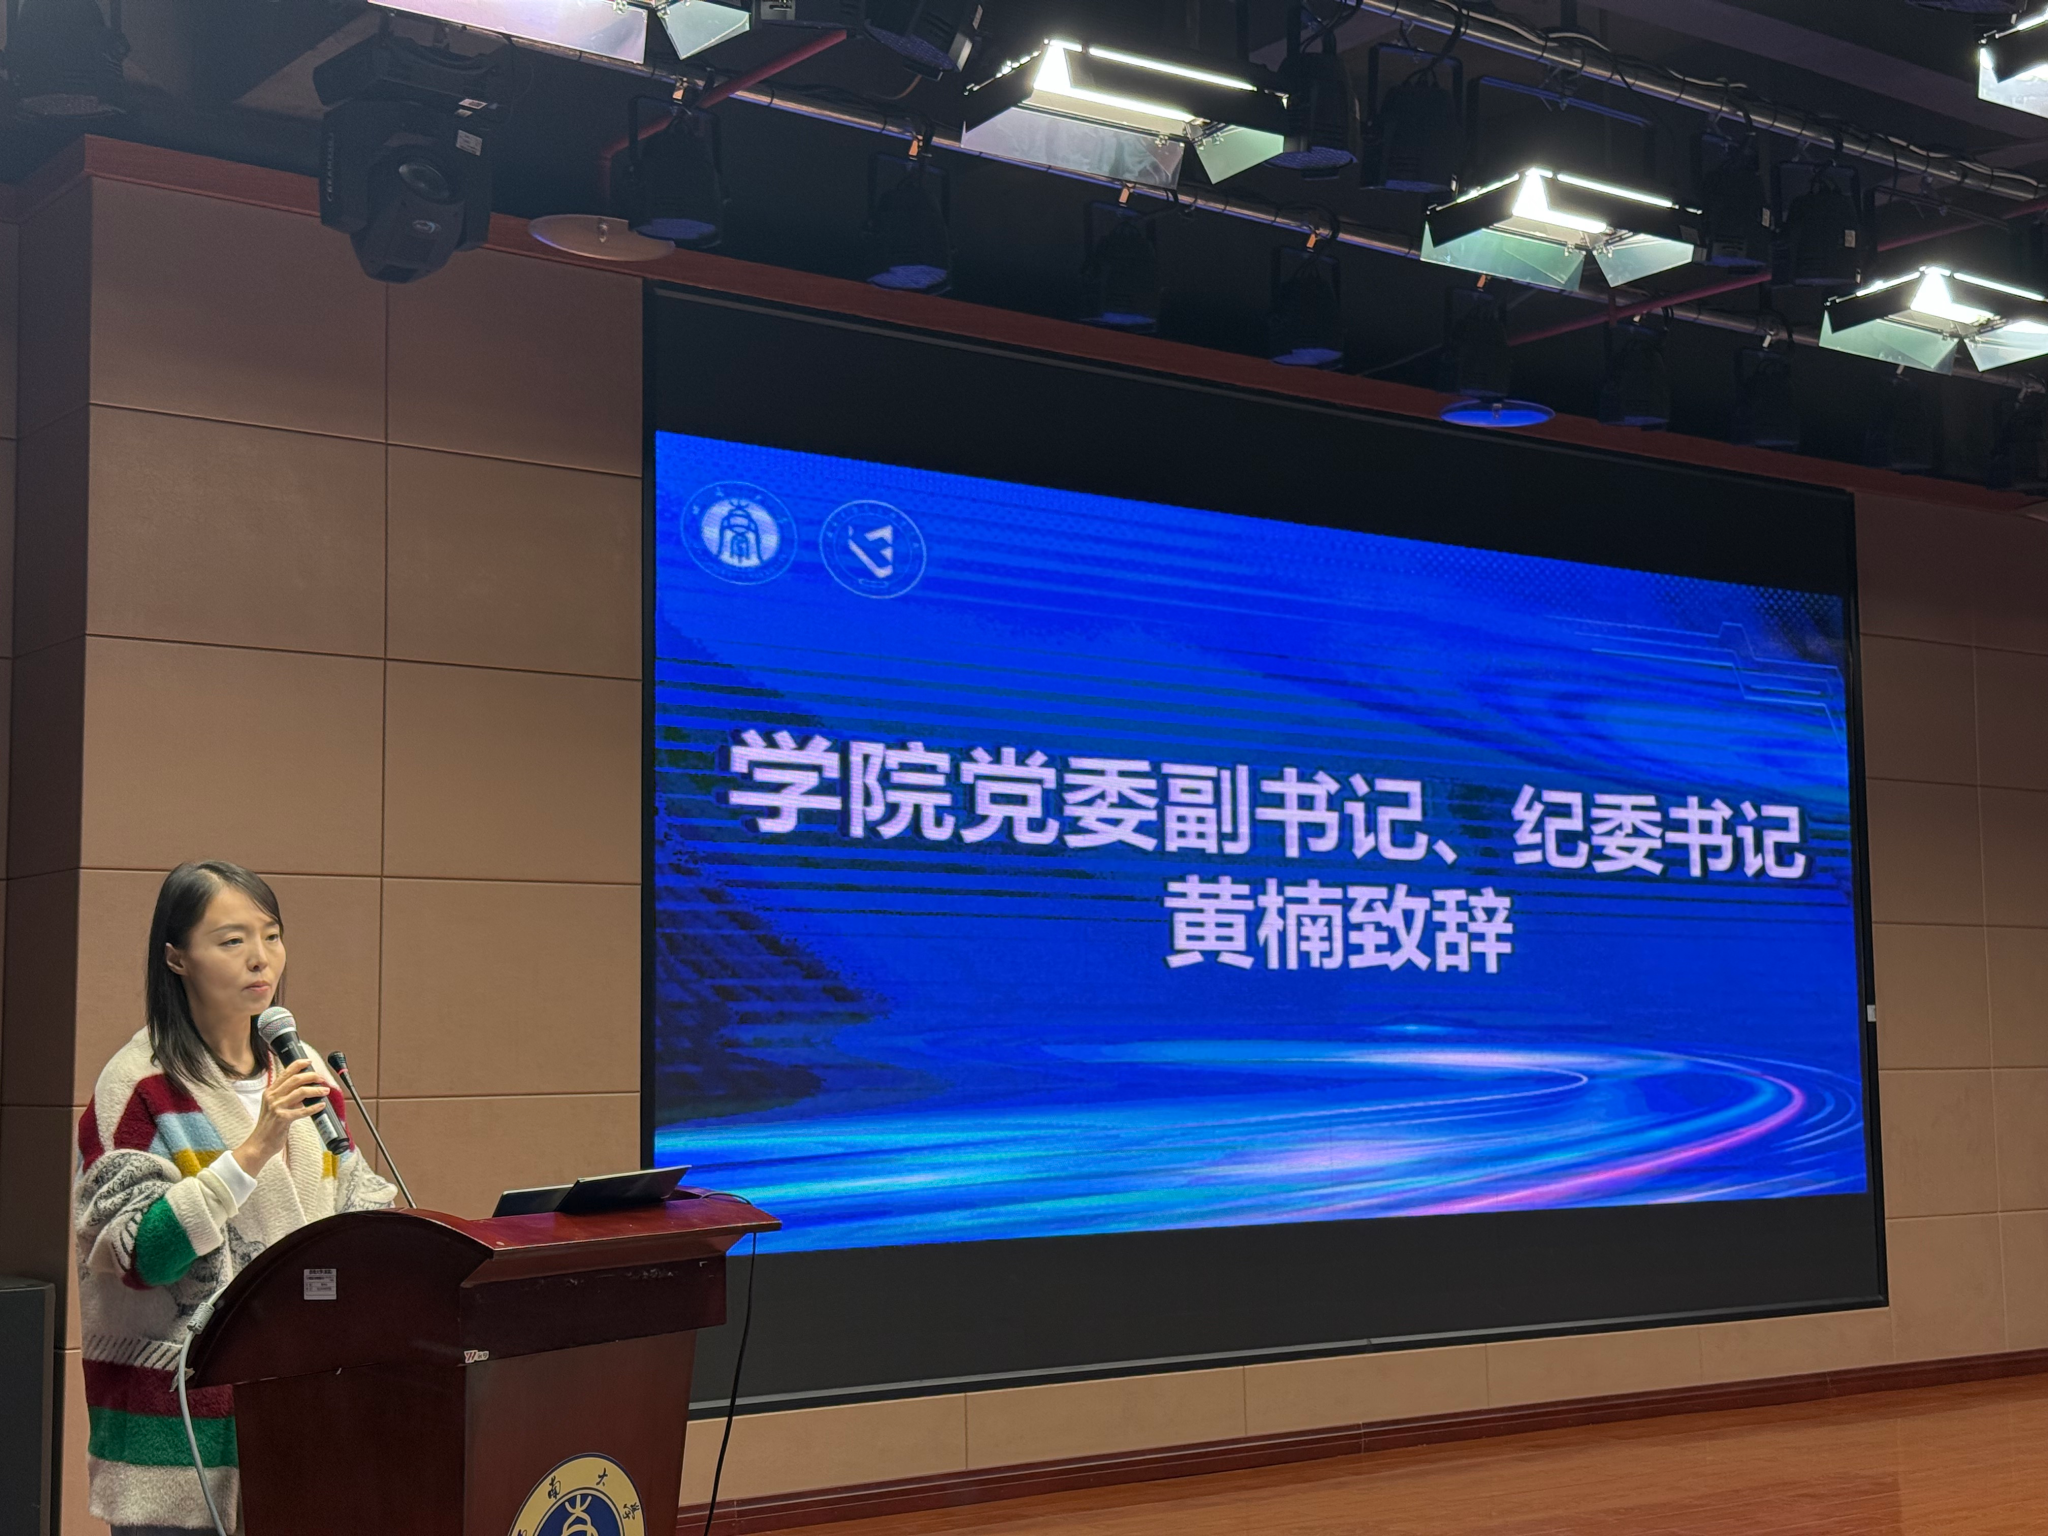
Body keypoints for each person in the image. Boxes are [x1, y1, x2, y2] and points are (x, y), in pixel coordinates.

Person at [73, 861, 397, 1534]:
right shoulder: (137, 1086)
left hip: (299, 1426)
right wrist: (253, 1150)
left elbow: (353, 1199)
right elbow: (139, 1256)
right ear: (176, 957)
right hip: (179, 1448)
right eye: (231, 941)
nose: (260, 958)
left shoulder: (302, 1068)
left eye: (271, 936)